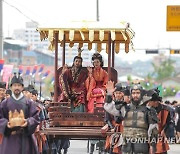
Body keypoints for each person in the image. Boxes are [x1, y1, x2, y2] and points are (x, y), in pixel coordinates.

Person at [0, 73, 40, 154]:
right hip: (9, 139)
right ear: (11, 87)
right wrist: (6, 124)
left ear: (22, 87)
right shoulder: (5, 103)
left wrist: (27, 122)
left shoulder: (29, 103)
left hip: (25, 138)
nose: (16, 87)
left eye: (19, 85)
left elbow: (35, 118)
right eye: (14, 85)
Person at [121, 83, 159, 154]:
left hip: (141, 143)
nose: (135, 95)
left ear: (141, 94)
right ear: (131, 94)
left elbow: (154, 131)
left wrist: (153, 146)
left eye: (138, 93)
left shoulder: (149, 110)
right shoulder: (125, 108)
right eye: (133, 93)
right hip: (126, 143)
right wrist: (109, 94)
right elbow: (115, 114)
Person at [59, 48, 88, 112]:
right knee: (63, 96)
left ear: (81, 63)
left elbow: (83, 85)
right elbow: (64, 82)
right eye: (76, 61)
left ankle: (79, 115)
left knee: (82, 96)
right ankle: (64, 113)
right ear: (73, 62)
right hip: (69, 90)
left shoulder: (83, 73)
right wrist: (69, 93)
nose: (77, 63)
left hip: (78, 90)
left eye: (79, 61)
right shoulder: (68, 72)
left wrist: (77, 92)